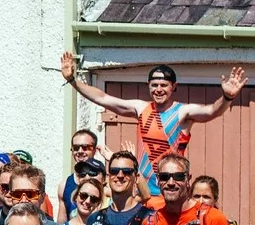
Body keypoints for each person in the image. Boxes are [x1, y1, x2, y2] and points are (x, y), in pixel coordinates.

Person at [61, 53, 247, 193]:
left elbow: (212, 111)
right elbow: (103, 98)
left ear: (174, 87)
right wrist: (72, 81)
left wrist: (227, 97)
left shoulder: (182, 112)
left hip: (170, 190)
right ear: (148, 86)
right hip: (141, 192)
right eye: (154, 85)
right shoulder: (141, 108)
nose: (159, 89)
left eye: (164, 85)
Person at [91, 150, 151, 225]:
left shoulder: (149, 218)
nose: (120, 175)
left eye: (127, 171)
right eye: (114, 171)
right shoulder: (96, 218)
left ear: (136, 177)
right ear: (108, 177)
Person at [58, 130, 99, 223]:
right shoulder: (64, 185)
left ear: (94, 150)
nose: (80, 151)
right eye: (76, 148)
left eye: (85, 147)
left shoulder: (105, 183)